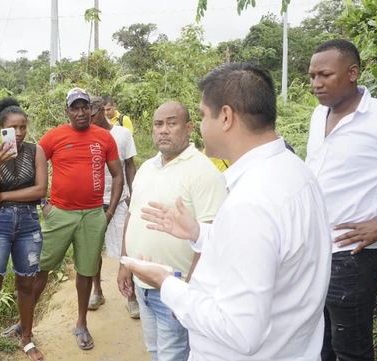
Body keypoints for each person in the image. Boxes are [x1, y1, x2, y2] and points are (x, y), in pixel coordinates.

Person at [126, 62, 332, 360]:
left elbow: (240, 331)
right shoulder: (295, 171)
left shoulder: (251, 201)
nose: (200, 126)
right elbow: (269, 250)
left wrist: (166, 283)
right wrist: (199, 233)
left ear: (225, 117)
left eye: (202, 116)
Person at [307, 39, 377, 361]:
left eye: (325, 75)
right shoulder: (318, 114)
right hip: (313, 251)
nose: (316, 84)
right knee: (317, 346)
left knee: (351, 351)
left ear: (352, 73)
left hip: (352, 257)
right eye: (311, 76)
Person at [3, 88, 123, 351]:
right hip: (59, 214)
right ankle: (25, 324)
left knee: (85, 271)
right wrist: (43, 203)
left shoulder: (104, 138)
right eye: (74, 108)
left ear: (91, 110)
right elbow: (30, 167)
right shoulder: (54, 137)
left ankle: (81, 324)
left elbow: (117, 175)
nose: (80, 112)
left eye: (84, 107)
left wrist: (109, 213)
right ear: (67, 111)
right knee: (40, 268)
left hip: (93, 215)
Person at [117, 101, 227, 361]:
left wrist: (187, 293)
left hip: (175, 288)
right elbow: (132, 217)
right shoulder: (146, 168)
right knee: (156, 352)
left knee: (173, 356)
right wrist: (125, 264)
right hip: (143, 285)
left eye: (171, 123)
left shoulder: (203, 172)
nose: (163, 130)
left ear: (188, 127)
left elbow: (210, 238)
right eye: (158, 124)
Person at [0, 98, 47, 361]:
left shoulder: (35, 152)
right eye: (13, 128)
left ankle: (26, 339)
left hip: (29, 223)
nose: (19, 133)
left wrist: (4, 197)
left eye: (23, 127)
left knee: (26, 284)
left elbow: (41, 190)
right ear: (1, 129)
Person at [86, 96, 138, 317]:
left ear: (101, 111)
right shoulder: (85, 135)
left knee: (127, 248)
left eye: (92, 115)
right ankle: (97, 291)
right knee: (93, 248)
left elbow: (129, 165)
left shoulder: (122, 134)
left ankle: (132, 296)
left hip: (120, 199)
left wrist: (134, 195)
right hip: (93, 200)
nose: (88, 120)